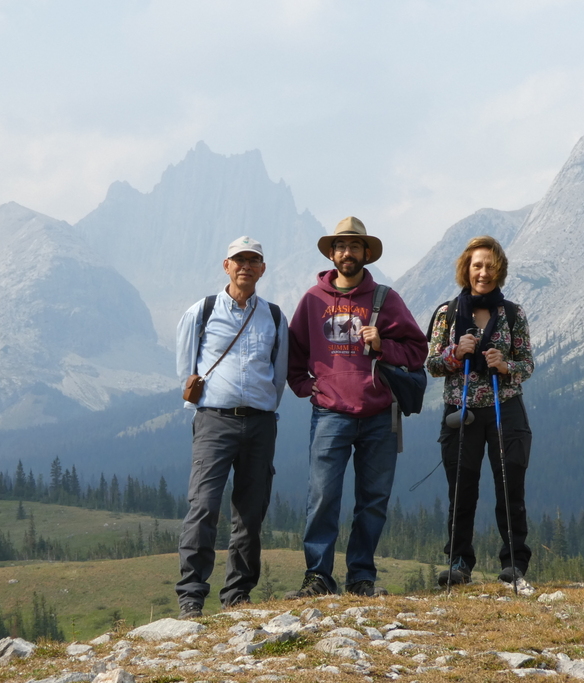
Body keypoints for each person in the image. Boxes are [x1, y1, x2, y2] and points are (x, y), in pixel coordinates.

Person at [287, 216, 427, 597]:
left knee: (373, 501)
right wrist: (307, 388)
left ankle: (361, 577)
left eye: (355, 246)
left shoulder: (386, 299)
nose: (347, 253)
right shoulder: (312, 301)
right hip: (330, 414)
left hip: (380, 414)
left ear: (367, 253)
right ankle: (318, 577)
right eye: (341, 246)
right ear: (332, 253)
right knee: (322, 497)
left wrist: (384, 345)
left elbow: (417, 351)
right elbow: (294, 352)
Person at [174, 236, 288, 618]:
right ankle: (192, 596)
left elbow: (279, 375)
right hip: (213, 422)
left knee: (251, 513)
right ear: (226, 265)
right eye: (239, 260)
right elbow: (185, 368)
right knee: (203, 507)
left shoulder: (273, 316)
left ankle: (237, 596)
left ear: (262, 268)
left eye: (253, 260)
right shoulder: (202, 311)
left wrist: (265, 409)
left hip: (259, 424)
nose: (246, 266)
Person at [425, 235, 534, 586]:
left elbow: (527, 364)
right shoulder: (447, 313)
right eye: (477, 266)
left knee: (510, 484)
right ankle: (459, 562)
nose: (483, 272)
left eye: (489, 265)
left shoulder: (513, 313)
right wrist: (455, 353)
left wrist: (505, 366)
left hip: (507, 407)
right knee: (461, 487)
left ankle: (514, 561)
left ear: (498, 269)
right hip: (462, 409)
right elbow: (431, 363)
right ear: (466, 269)